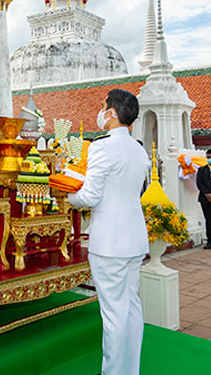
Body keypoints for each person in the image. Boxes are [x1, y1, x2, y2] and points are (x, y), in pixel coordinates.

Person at [68, 89, 150, 375]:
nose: (100, 111)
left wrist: (66, 194)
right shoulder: (139, 148)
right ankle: (130, 370)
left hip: (111, 243)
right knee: (131, 308)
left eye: (102, 107)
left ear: (112, 113)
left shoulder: (101, 147)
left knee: (114, 314)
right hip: (134, 239)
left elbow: (89, 197)